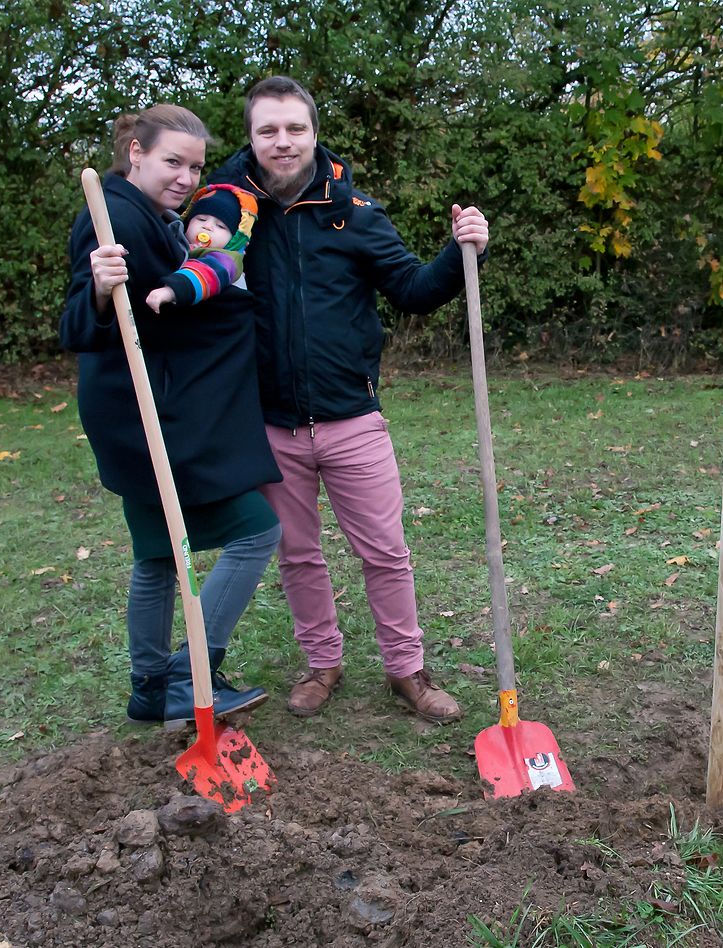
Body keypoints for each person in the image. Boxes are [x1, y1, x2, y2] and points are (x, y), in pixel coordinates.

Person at [211, 76, 490, 724]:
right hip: (272, 425)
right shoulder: (226, 216)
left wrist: (460, 251)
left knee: (386, 553)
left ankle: (408, 671)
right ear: (250, 137)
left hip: (352, 419)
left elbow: (415, 290)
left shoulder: (355, 214)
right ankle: (322, 664)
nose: (283, 142)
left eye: (295, 129)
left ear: (314, 132)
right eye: (268, 130)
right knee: (298, 554)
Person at [60, 105, 282, 727]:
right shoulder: (113, 215)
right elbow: (78, 324)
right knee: (256, 531)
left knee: (157, 555)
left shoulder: (154, 215)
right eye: (172, 162)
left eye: (195, 167)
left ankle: (153, 689)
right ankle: (189, 674)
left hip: (147, 411)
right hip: (145, 416)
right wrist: (101, 289)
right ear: (134, 151)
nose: (186, 178)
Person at [145, 183, 258, 312]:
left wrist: (171, 291)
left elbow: (206, 274)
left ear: (234, 239)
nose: (207, 226)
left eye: (221, 226)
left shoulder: (228, 260)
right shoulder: (173, 238)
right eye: (201, 219)